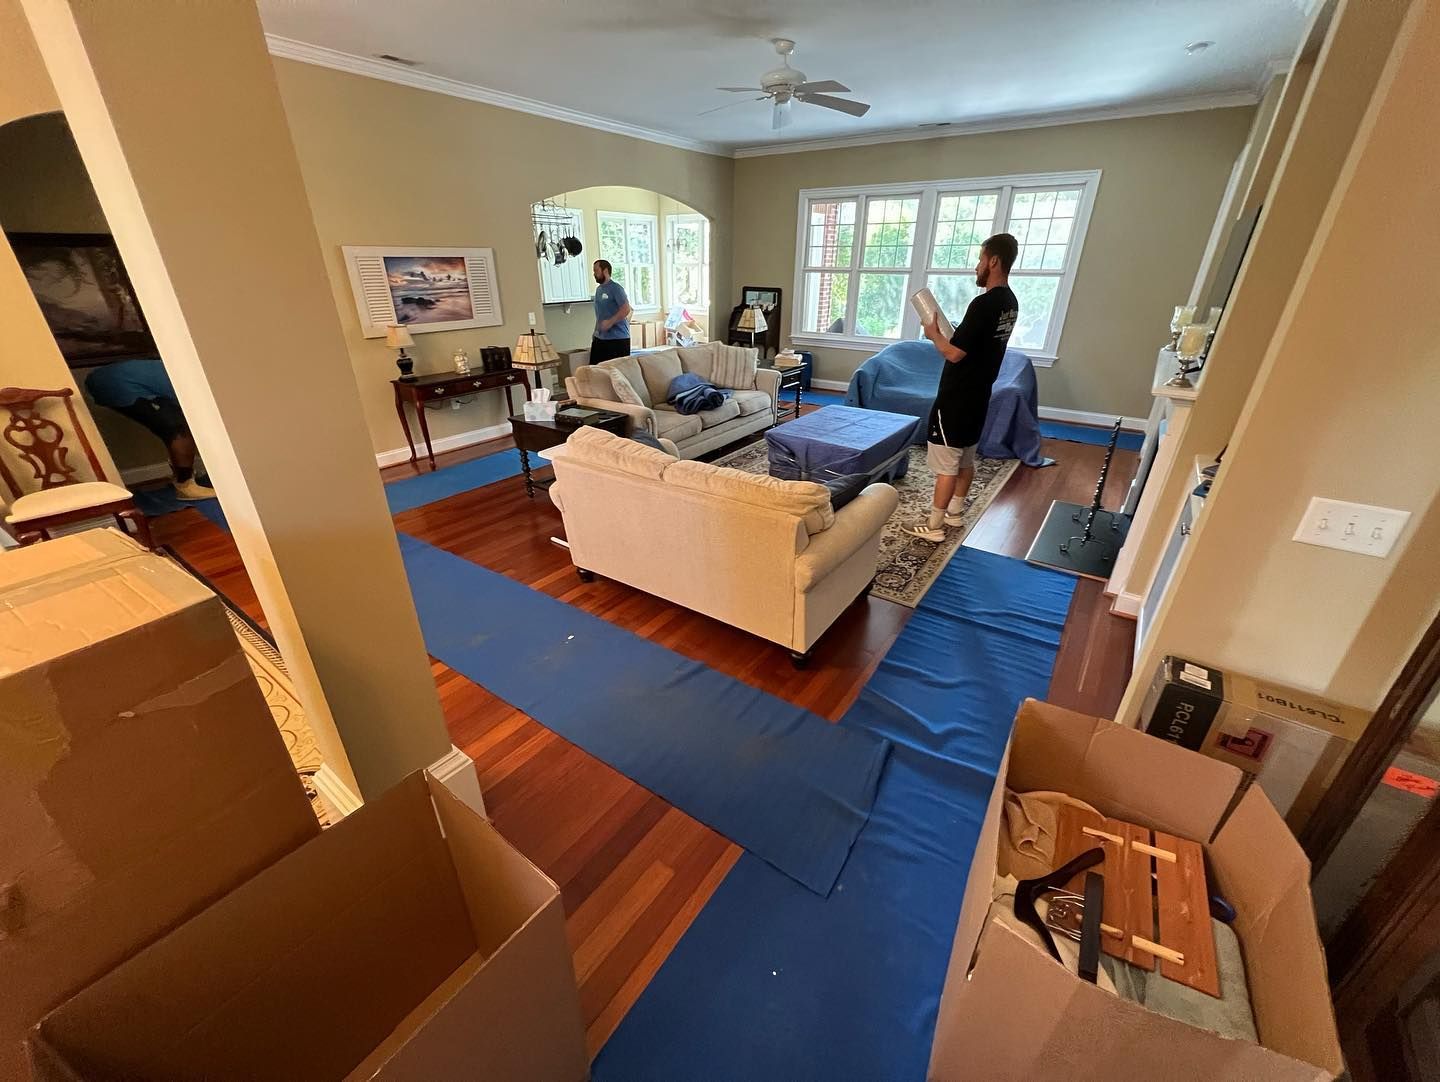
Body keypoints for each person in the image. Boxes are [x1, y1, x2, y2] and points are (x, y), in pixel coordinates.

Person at [903, 233, 1019, 542]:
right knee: (965, 458)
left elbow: (954, 353)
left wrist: (933, 334)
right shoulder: (1010, 303)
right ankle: (954, 514)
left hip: (956, 397)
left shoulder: (983, 304)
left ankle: (934, 525)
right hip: (980, 393)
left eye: (981, 259)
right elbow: (974, 342)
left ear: (994, 261)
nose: (977, 266)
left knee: (946, 464)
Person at [85, 358, 216, 501]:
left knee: (179, 426)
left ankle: (183, 477)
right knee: (179, 430)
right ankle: (185, 486)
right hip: (117, 383)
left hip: (113, 377)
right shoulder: (206, 383)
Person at [590, 259, 632, 363]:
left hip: (618, 340)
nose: (594, 274)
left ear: (605, 271)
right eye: (594, 271)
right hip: (600, 338)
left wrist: (610, 322)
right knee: (595, 370)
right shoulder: (599, 290)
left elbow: (626, 309)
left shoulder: (616, 288)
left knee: (615, 372)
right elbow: (600, 315)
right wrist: (595, 332)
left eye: (596, 271)